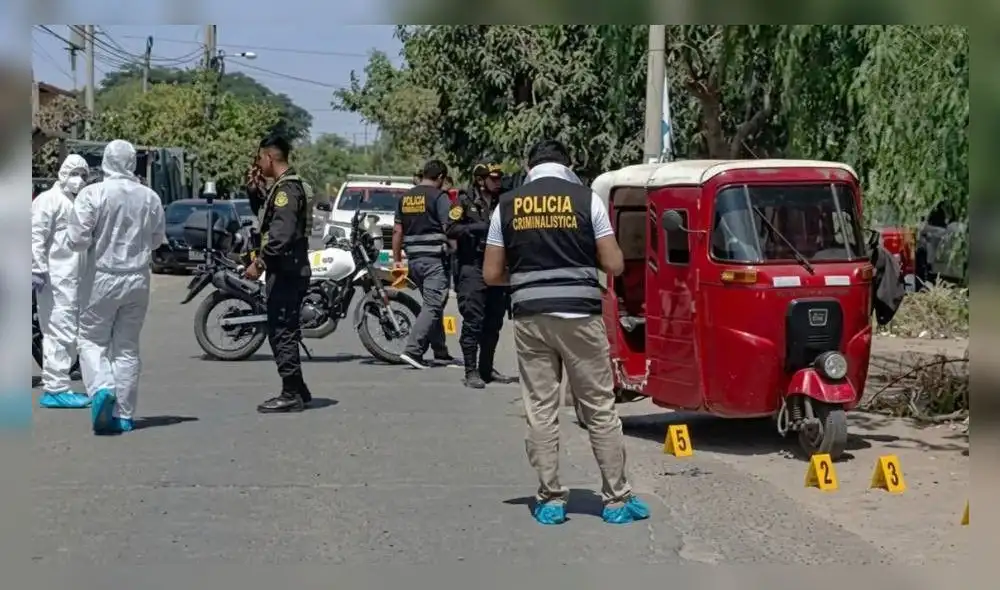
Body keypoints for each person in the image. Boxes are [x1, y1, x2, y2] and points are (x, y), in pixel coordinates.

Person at [483, 139, 650, 525]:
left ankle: (551, 498)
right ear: (567, 163)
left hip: (530, 317)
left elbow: (492, 274)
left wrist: (528, 280)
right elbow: (614, 264)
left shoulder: (507, 205)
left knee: (541, 409)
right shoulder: (586, 199)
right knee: (598, 407)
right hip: (580, 317)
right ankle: (616, 500)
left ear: (530, 165)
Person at [67, 140, 166, 434]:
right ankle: (124, 415)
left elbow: (77, 239)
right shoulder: (149, 197)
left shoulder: (92, 194)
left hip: (101, 277)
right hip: (138, 278)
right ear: (132, 163)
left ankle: (101, 389)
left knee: (92, 341)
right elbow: (157, 239)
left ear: (106, 161)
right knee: (127, 348)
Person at [244, 135, 315, 413]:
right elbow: (267, 218)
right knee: (283, 329)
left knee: (281, 331)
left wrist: (259, 264)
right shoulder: (282, 188)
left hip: (287, 270)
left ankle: (290, 394)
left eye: (260, 158)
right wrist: (253, 189)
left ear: (270, 157)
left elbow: (280, 236)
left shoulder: (287, 190)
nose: (259, 163)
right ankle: (299, 389)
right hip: (288, 269)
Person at [447, 162, 518, 389]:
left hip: (497, 265)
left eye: (499, 178)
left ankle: (487, 368)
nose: (498, 182)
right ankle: (471, 371)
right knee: (473, 321)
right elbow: (450, 228)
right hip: (473, 265)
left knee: (494, 321)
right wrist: (474, 228)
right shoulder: (463, 201)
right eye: (493, 178)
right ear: (480, 180)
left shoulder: (504, 201)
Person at [32, 154, 90, 409]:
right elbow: (35, 235)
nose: (79, 180)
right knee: (58, 333)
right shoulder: (48, 200)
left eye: (83, 175)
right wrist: (36, 269)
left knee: (67, 333)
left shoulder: (74, 203)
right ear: (63, 174)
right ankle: (56, 389)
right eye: (75, 173)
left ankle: (59, 384)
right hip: (53, 280)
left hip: (72, 280)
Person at [393, 159, 457, 369]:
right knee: (433, 304)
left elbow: (397, 231)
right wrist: (456, 248)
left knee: (433, 303)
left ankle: (440, 351)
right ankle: (413, 351)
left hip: (414, 261)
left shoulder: (406, 198)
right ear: (440, 178)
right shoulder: (439, 197)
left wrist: (396, 260)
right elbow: (450, 227)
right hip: (434, 261)